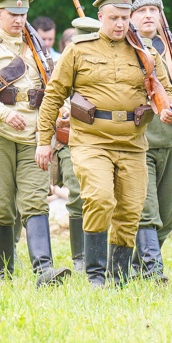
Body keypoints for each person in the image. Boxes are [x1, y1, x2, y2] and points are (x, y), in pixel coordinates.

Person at [35, 0, 172, 287]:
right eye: (113, 18)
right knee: (99, 198)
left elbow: (167, 91)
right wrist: (44, 142)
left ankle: (119, 275)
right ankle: (95, 274)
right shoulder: (79, 49)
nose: (120, 24)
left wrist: (167, 107)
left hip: (132, 142)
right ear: (100, 16)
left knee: (130, 209)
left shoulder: (146, 53)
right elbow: (53, 96)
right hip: (90, 140)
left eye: (125, 18)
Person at [0, 0, 70, 287]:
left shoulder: (38, 51)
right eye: (13, 15)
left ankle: (44, 271)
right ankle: (3, 273)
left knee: (36, 201)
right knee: (0, 207)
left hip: (34, 136)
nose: (19, 20)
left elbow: (53, 91)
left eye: (23, 15)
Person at [122, 0, 172, 281]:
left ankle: (137, 267)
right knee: (146, 211)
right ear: (130, 16)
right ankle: (153, 273)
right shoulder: (122, 51)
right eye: (141, 11)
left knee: (166, 216)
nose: (148, 15)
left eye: (153, 9)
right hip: (138, 140)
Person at [50, 15, 101, 273]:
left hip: (104, 139)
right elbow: (49, 102)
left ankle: (104, 257)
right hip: (70, 140)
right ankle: (80, 259)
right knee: (78, 196)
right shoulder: (60, 65)